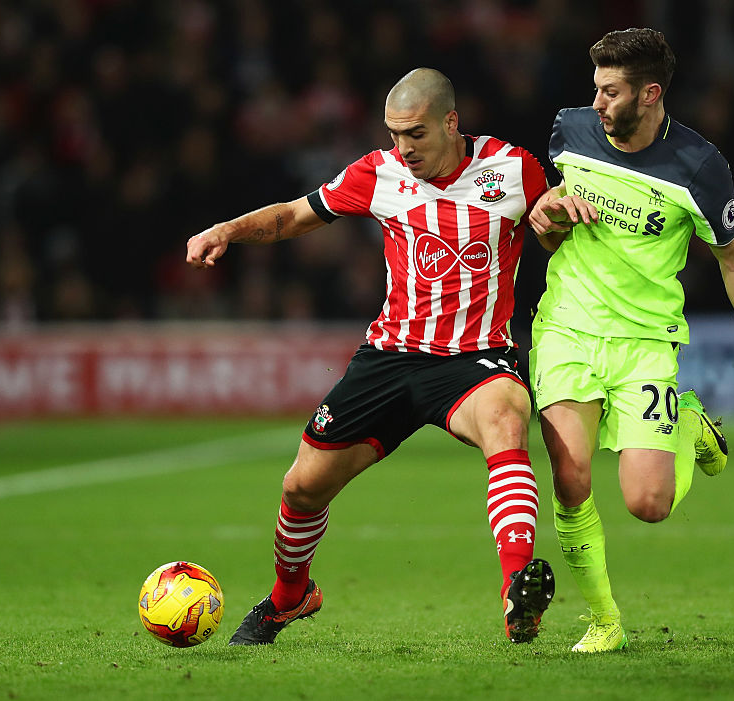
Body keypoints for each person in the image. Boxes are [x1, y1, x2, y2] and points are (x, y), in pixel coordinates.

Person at [186, 68, 554, 645]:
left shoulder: (514, 168)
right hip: (389, 358)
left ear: (451, 123)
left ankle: (517, 591)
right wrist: (227, 230)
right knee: (301, 489)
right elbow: (293, 216)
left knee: (507, 418)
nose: (403, 148)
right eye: (394, 134)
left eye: (415, 133)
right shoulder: (378, 172)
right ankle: (290, 598)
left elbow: (555, 230)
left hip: (474, 358)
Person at [526, 28, 734, 653]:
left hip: (644, 340)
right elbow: (545, 230)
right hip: (567, 326)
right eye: (594, 88)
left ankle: (690, 429)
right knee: (569, 473)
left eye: (610, 92)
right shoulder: (570, 132)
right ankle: (603, 620)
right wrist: (547, 216)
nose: (597, 103)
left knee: (648, 503)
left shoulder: (698, 166)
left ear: (650, 94)